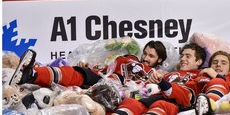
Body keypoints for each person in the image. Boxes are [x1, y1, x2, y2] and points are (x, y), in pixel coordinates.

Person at [102, 49, 230, 115]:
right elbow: (147, 91)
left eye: (223, 63)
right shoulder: (189, 76)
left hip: (189, 103)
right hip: (168, 96)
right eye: (215, 62)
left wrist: (217, 75)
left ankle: (211, 110)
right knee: (131, 102)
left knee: (163, 105)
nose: (218, 65)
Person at [9, 40, 167, 89]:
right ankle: (32, 74)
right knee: (77, 73)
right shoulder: (130, 57)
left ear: (159, 60)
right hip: (104, 80)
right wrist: (92, 67)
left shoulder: (159, 76)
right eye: (145, 53)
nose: (145, 58)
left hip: (123, 92)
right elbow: (107, 68)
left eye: (151, 56)